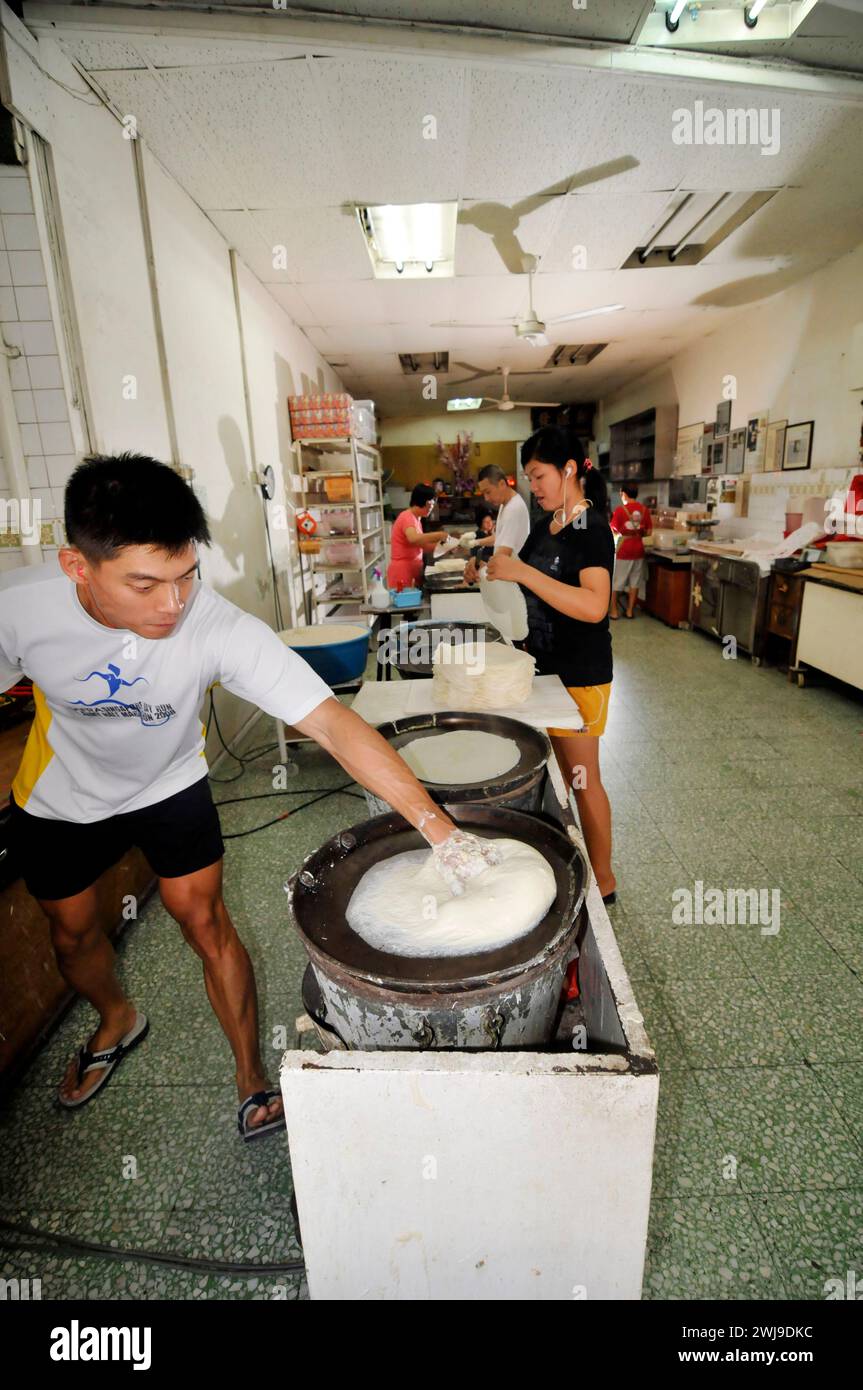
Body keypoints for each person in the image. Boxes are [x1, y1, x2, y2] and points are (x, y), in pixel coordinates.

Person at [0, 454, 499, 1140]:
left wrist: (442, 833)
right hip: (61, 798)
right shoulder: (18, 609)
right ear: (76, 567)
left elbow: (331, 722)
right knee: (72, 930)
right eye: (144, 584)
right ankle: (117, 1018)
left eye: (184, 576)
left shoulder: (215, 624)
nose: (171, 605)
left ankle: (250, 1078)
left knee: (204, 922)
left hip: (170, 786)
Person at [485, 428, 616, 902]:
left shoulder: (592, 529)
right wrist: (492, 568)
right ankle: (570, 859)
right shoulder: (546, 526)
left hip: (581, 675)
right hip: (544, 670)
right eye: (528, 477)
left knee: (584, 781)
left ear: (569, 470)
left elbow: (594, 605)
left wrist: (523, 572)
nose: (533, 486)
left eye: (539, 476)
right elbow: (524, 582)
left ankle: (604, 880)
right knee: (559, 779)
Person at [464, 464, 531, 585]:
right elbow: (499, 538)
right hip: (507, 576)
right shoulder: (505, 504)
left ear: (502, 484)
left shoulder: (513, 509)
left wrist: (479, 562)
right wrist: (476, 542)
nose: (486, 498)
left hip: (514, 579)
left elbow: (503, 555)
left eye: (488, 492)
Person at [386, 483, 448, 590]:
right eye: (430, 504)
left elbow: (424, 546)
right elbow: (413, 538)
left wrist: (447, 547)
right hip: (402, 573)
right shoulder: (407, 517)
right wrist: (439, 535)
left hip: (412, 570)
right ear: (422, 501)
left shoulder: (416, 519)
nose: (431, 507)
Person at [610, 485, 652, 619]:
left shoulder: (620, 510)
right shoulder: (645, 510)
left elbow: (613, 530)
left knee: (617, 582)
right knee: (635, 581)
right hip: (639, 548)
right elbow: (649, 532)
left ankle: (614, 611)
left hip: (624, 549)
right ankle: (629, 611)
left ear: (623, 494)